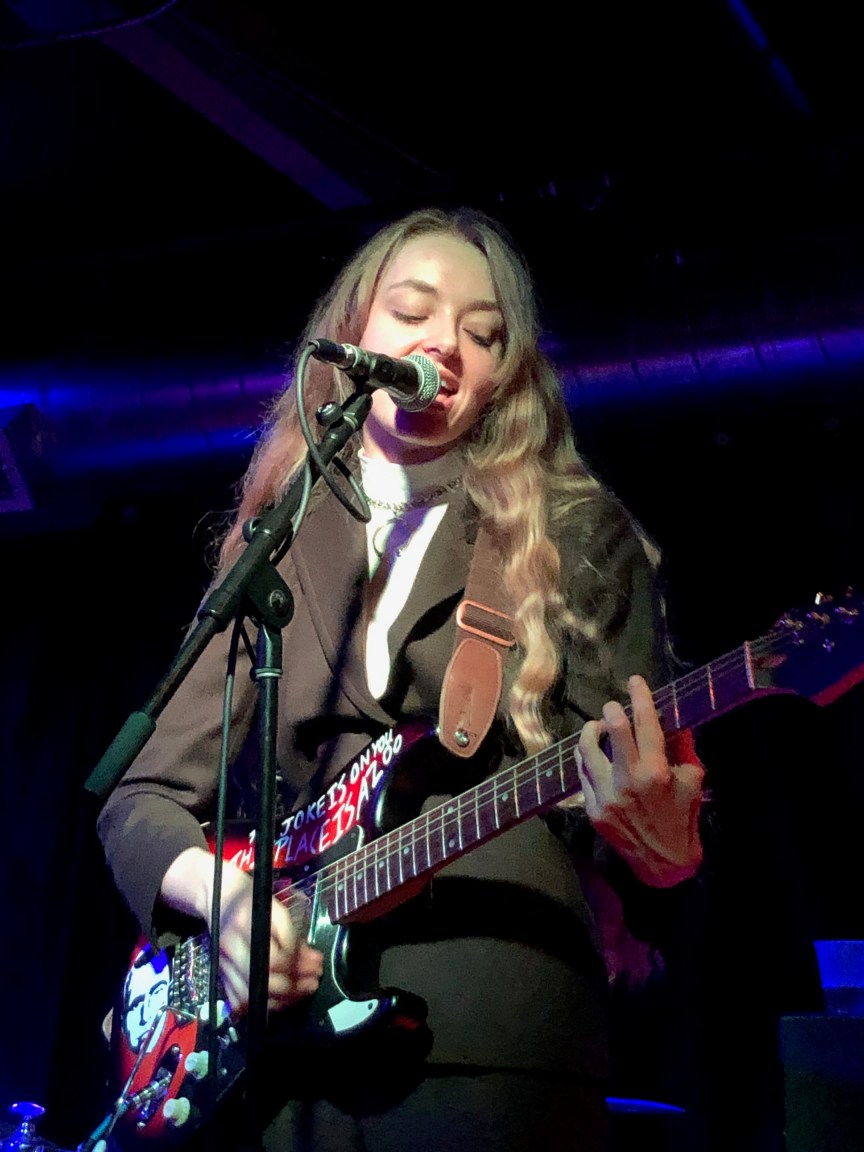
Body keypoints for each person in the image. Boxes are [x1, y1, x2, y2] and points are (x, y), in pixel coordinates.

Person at [96, 206, 705, 1152]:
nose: (445, 345)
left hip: (495, 1040)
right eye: (413, 312)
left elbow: (639, 830)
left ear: (506, 375)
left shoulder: (575, 532)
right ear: (354, 337)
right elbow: (141, 799)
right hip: (283, 1057)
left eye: (482, 333)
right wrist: (226, 905)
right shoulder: (278, 542)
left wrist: (666, 850)